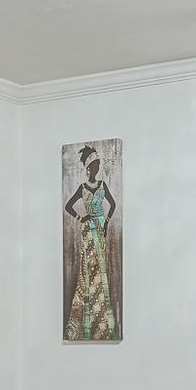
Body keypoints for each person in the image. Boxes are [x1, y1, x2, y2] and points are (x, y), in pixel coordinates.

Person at [63, 145, 120, 340]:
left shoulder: (103, 186)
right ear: (88, 168)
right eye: (92, 167)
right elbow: (68, 206)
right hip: (87, 231)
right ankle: (86, 320)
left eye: (97, 166)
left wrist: (106, 220)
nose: (95, 169)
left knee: (100, 269)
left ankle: (101, 319)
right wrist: (82, 218)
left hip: (101, 230)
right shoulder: (82, 187)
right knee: (88, 270)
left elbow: (112, 205)